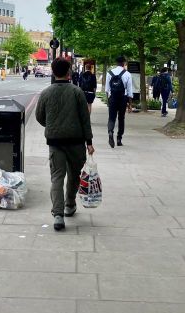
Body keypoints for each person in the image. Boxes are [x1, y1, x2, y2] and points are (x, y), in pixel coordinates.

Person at [35, 57, 94, 231]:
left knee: (57, 177)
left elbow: (39, 117)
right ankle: (69, 204)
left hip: (55, 142)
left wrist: (52, 125)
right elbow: (85, 120)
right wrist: (89, 142)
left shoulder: (46, 93)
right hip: (76, 142)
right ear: (68, 72)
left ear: (53, 72)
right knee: (74, 175)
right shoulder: (77, 92)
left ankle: (58, 215)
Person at [105, 55, 133, 148]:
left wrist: (108, 100)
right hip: (122, 98)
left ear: (116, 62)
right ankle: (119, 138)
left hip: (112, 97)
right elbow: (129, 91)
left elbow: (107, 89)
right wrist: (130, 104)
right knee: (121, 118)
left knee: (111, 117)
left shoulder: (109, 73)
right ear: (124, 63)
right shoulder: (127, 74)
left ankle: (110, 132)